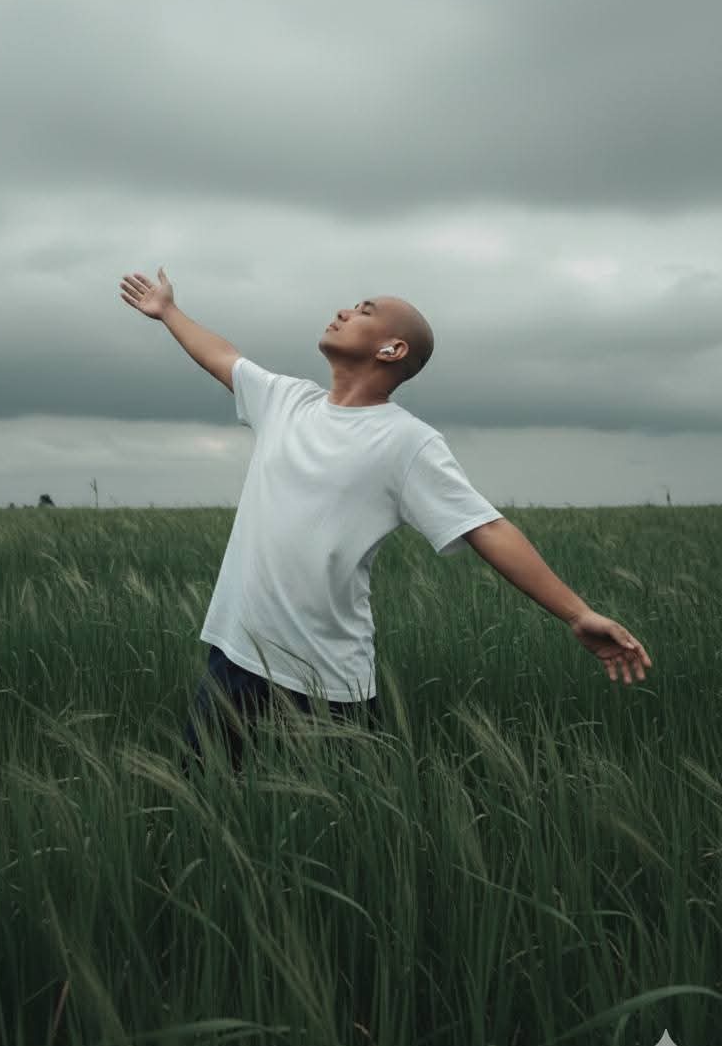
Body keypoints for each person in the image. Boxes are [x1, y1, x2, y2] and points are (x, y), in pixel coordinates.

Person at [119, 269, 653, 777]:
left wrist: (577, 613)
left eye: (364, 310)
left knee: (343, 824)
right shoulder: (285, 401)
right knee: (204, 793)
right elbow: (223, 356)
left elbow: (485, 527)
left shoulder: (407, 442)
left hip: (328, 680)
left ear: (392, 349)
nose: (343, 311)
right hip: (237, 654)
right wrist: (168, 311)